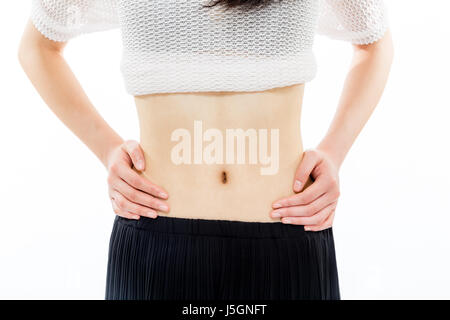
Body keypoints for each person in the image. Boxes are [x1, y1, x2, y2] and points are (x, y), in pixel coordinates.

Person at [18, 0, 393, 300]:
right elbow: (38, 47)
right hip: (156, 243)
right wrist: (107, 149)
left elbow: (375, 43)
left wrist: (335, 152)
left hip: (289, 235)